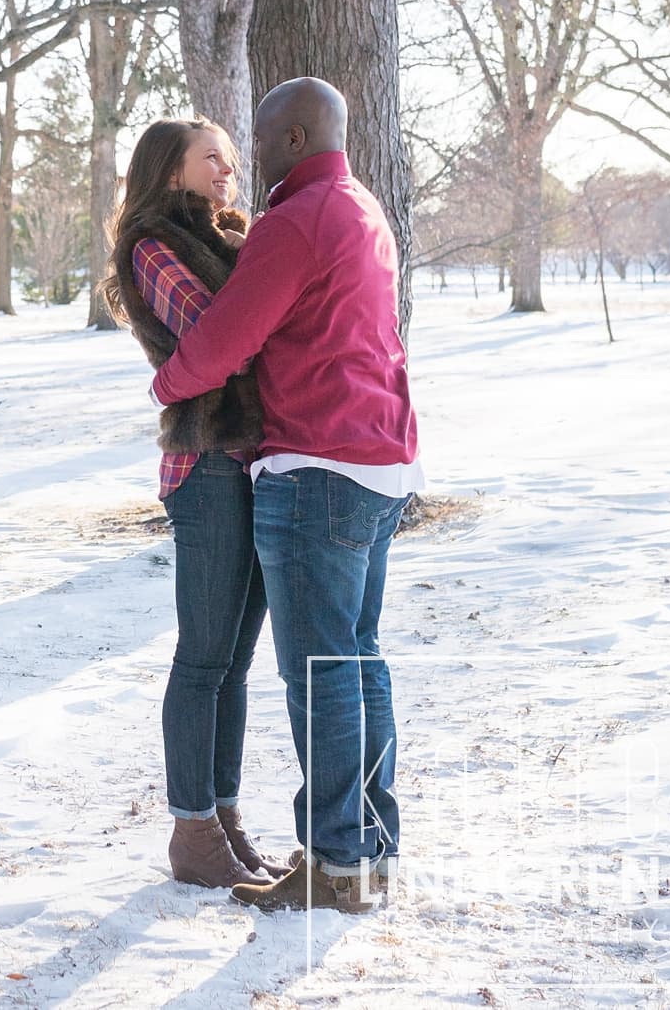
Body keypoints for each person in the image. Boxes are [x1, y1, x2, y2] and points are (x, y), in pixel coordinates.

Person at [151, 78, 423, 913]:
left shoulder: (294, 221)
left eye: (263, 141)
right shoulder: (364, 210)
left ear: (296, 138)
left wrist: (169, 385)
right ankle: (371, 850)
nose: (252, 158)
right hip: (381, 461)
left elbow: (227, 337)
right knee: (358, 660)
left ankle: (334, 861)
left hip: (315, 466)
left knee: (321, 673)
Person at [103, 119, 290, 889]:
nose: (228, 168)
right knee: (203, 657)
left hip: (250, 460)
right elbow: (221, 335)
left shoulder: (232, 237)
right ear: (170, 168)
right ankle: (191, 829)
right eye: (210, 155)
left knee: (236, 663)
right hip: (206, 464)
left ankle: (224, 816)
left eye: (232, 158)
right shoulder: (154, 243)